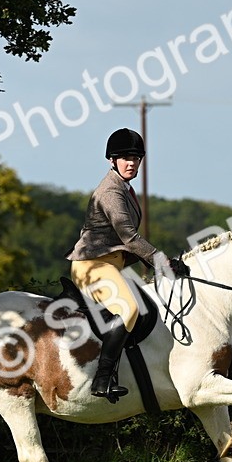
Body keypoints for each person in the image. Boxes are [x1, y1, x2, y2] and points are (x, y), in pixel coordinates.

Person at [66, 128, 185, 402]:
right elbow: (130, 238)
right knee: (130, 308)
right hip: (92, 266)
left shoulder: (124, 188)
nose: (131, 163)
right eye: (124, 158)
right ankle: (102, 379)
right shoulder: (110, 192)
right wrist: (162, 262)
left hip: (110, 265)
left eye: (135, 157)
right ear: (112, 160)